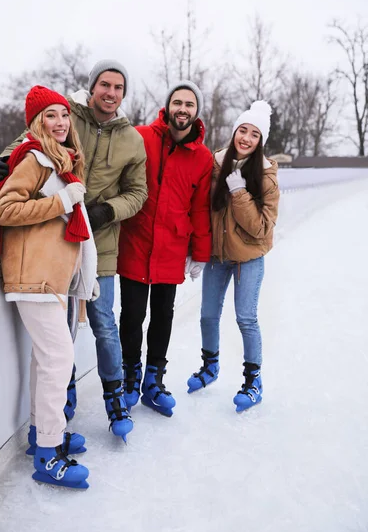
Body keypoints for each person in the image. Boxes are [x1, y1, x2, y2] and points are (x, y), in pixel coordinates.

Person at [0, 60, 148, 442]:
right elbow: (33, 140)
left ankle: (114, 399)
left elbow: (138, 193)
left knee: (104, 326)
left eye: (118, 88)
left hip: (100, 245)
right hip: (56, 245)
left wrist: (107, 210)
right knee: (60, 341)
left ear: (123, 95)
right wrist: (5, 161)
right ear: (92, 88)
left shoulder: (132, 140)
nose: (110, 93)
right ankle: (59, 411)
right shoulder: (66, 115)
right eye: (104, 85)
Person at [0, 85, 99, 488]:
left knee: (45, 360)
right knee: (57, 359)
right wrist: (62, 201)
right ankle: (48, 457)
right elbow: (6, 209)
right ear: (37, 123)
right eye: (51, 116)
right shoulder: (35, 158)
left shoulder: (61, 163)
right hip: (31, 276)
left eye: (64, 115)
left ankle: (41, 436)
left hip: (49, 276)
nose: (61, 122)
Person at [118, 80, 213, 417]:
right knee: (132, 316)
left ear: (196, 112)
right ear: (168, 107)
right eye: (178, 103)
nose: (182, 109)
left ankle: (153, 381)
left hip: (172, 246)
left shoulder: (201, 158)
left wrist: (200, 252)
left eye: (189, 104)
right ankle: (130, 376)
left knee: (162, 316)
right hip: (135, 241)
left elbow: (200, 207)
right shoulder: (141, 137)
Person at [187, 100, 280, 413]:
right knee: (207, 315)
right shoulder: (215, 164)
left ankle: (254, 381)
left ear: (260, 141)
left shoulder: (266, 176)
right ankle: (210, 367)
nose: (247, 138)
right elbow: (200, 207)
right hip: (216, 255)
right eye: (243, 130)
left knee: (246, 318)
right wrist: (195, 250)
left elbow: (261, 228)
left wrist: (239, 193)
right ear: (234, 132)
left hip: (248, 258)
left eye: (254, 134)